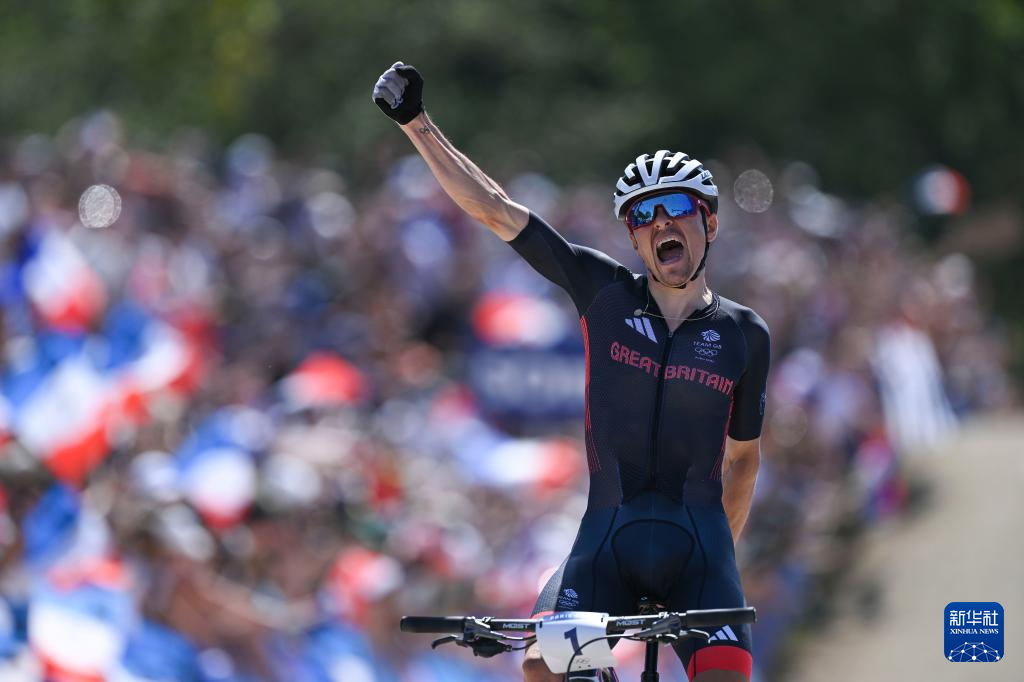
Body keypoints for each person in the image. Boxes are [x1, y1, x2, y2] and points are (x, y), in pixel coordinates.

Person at [373, 62, 769, 682]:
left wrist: (721, 557)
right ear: (633, 239)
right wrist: (416, 123)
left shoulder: (746, 334)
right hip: (608, 541)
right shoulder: (604, 294)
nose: (660, 223)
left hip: (700, 552)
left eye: (675, 207)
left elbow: (743, 461)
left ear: (710, 223)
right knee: (541, 668)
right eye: (642, 215)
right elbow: (495, 210)